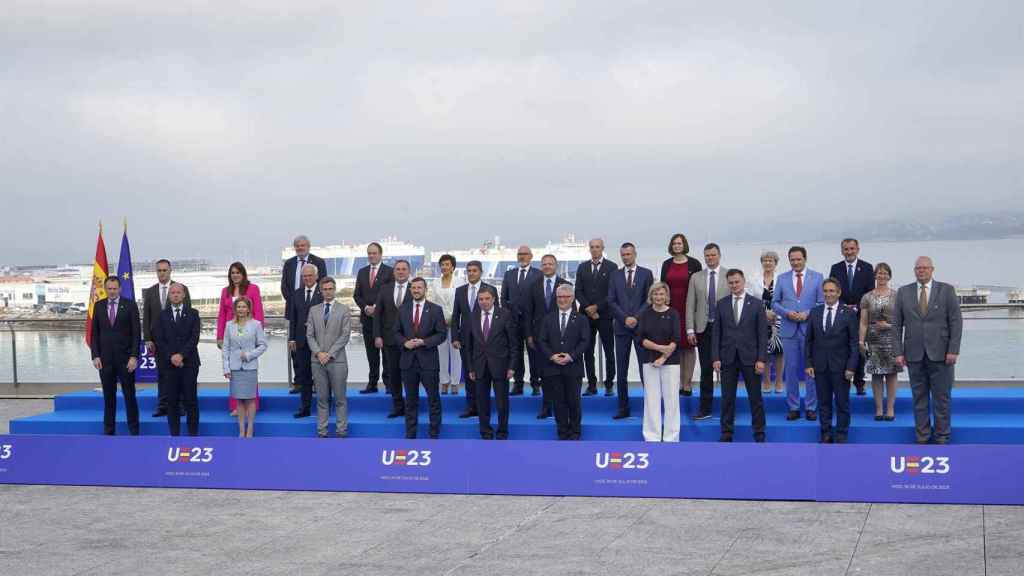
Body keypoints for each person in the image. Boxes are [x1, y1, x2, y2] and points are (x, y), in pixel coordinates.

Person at [894, 257, 963, 445]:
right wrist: (898, 352)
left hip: (942, 355)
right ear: (914, 270)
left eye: (925, 268)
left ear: (932, 269)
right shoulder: (903, 292)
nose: (921, 271)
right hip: (914, 355)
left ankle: (942, 436)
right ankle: (922, 436)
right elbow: (896, 325)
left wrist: (953, 350)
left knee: (942, 398)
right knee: (919, 399)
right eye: (918, 268)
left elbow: (956, 322)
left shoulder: (946, 290)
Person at [712, 270, 768, 443]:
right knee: (727, 398)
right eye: (731, 283)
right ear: (728, 284)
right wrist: (715, 358)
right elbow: (716, 334)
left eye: (737, 282)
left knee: (755, 398)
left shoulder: (757, 304)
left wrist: (761, 359)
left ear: (743, 282)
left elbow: (762, 334)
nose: (734, 285)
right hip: (727, 357)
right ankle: (726, 432)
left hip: (751, 358)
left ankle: (759, 433)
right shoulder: (721, 304)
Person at [772, 246, 825, 422]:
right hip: (788, 330)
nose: (795, 262)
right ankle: (793, 407)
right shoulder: (781, 278)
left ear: (805, 258)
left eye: (798, 259)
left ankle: (811, 407)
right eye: (792, 260)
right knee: (791, 370)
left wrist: (807, 313)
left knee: (811, 370)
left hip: (809, 330)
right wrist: (786, 313)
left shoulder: (817, 278)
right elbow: (774, 303)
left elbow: (821, 302)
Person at [804, 279, 859, 443]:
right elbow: (809, 341)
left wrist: (851, 367)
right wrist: (808, 363)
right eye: (826, 291)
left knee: (842, 403)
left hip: (842, 368)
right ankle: (825, 433)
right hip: (820, 367)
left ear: (839, 293)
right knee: (823, 403)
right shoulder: (815, 312)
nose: (828, 294)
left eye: (832, 291)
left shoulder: (849, 313)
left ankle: (841, 434)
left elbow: (854, 343)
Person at [394, 278, 447, 439]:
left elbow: (442, 334)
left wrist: (425, 342)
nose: (416, 290)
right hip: (408, 362)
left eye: (419, 287)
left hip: (428, 362)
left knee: (433, 399)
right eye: (413, 288)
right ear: (410, 290)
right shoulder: (402, 309)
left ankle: (434, 433)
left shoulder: (436, 309)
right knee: (410, 400)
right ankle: (410, 434)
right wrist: (405, 343)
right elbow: (395, 332)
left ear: (425, 289)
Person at [607, 242, 654, 419]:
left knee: (646, 370)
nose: (626, 257)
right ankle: (623, 408)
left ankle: (650, 407)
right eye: (623, 255)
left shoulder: (646, 274)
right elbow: (611, 300)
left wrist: (636, 317)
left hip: (641, 329)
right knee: (622, 371)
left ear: (635, 254)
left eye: (628, 254)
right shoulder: (614, 275)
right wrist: (625, 318)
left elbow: (649, 299)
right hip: (621, 328)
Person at [537, 284, 590, 440]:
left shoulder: (581, 319)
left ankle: (575, 431)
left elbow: (585, 341)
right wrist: (552, 356)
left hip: (573, 367)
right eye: (560, 297)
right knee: (558, 402)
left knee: (574, 401)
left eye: (566, 297)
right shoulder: (548, 318)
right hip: (553, 368)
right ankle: (562, 431)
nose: (562, 300)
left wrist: (571, 356)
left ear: (572, 298)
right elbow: (542, 340)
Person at [463, 289, 518, 439]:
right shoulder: (471, 317)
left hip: (501, 366)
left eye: (487, 298)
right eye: (481, 299)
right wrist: (470, 368)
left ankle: (502, 431)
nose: (484, 302)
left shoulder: (505, 314)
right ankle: (485, 432)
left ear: (493, 299)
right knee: (482, 402)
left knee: (502, 403)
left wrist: (512, 366)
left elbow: (514, 343)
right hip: (479, 367)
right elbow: (468, 346)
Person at [90, 276, 141, 436]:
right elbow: (94, 334)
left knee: (129, 396)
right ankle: (109, 430)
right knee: (108, 397)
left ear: (120, 289)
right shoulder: (98, 306)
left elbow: (136, 334)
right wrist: (95, 355)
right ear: (105, 289)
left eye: (114, 288)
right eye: (109, 288)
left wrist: (134, 356)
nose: (112, 291)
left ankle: (134, 430)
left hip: (126, 360)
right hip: (105, 360)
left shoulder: (130, 305)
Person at [142, 259, 192, 418]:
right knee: (162, 374)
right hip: (158, 343)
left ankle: (180, 405)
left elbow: (188, 315)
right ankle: (163, 405)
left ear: (170, 271)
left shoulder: (181, 288)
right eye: (159, 270)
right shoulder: (150, 292)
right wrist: (148, 339)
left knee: (180, 374)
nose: (162, 273)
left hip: (178, 342)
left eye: (165, 270)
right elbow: (146, 316)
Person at [525, 254, 572, 418]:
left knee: (562, 372)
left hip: (561, 335)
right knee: (544, 373)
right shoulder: (533, 286)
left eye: (550, 264)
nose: (547, 266)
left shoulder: (565, 285)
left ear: (556, 266)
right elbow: (528, 312)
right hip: (540, 337)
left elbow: (573, 313)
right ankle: (546, 406)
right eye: (544, 264)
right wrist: (529, 335)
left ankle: (563, 405)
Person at [450, 260, 499, 418]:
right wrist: (455, 337)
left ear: (481, 272)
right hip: (465, 339)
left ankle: (485, 407)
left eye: (474, 271)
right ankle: (472, 407)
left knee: (487, 374)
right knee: (470, 373)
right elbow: (455, 315)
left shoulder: (490, 290)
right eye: (469, 271)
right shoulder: (460, 291)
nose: (471, 273)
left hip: (486, 339)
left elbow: (496, 314)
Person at [686, 243, 729, 420]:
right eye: (707, 256)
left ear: (719, 255)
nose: (710, 258)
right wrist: (690, 329)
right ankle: (705, 408)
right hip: (703, 329)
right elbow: (690, 305)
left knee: (727, 370)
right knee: (705, 370)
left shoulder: (730, 275)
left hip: (725, 329)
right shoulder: (696, 277)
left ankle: (728, 409)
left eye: (713, 255)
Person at [280, 235, 326, 393]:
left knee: (316, 348)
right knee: (296, 349)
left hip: (317, 314)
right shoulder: (289, 263)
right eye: (297, 246)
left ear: (308, 246)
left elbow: (323, 287)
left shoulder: (319, 262)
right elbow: (285, 287)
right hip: (295, 313)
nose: (300, 248)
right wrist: (296, 303)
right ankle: (299, 382)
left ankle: (315, 382)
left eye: (303, 245)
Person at [216, 262, 264, 416]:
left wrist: (258, 334)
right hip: (232, 334)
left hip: (249, 335)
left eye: (238, 272)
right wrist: (219, 336)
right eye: (232, 273)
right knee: (234, 370)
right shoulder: (225, 291)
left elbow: (258, 311)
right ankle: (236, 406)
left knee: (249, 370)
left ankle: (252, 404)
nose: (235, 275)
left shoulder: (253, 289)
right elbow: (222, 314)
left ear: (243, 274)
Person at [306, 277, 351, 438]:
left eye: (330, 288)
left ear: (335, 289)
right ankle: (322, 431)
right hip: (317, 361)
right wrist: (319, 353)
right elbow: (309, 335)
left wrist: (330, 354)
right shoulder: (313, 310)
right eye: (325, 289)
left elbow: (345, 336)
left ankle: (341, 431)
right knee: (322, 398)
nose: (328, 292)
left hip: (337, 361)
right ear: (320, 291)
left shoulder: (344, 310)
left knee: (340, 399)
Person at [154, 283, 201, 436]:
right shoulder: (161, 316)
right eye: (172, 292)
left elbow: (194, 338)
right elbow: (159, 340)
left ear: (183, 295)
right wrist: (172, 356)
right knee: (172, 401)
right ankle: (174, 436)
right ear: (169, 295)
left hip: (189, 364)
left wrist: (181, 355)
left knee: (190, 401)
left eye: (178, 292)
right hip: (169, 365)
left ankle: (193, 435)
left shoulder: (193, 313)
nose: (175, 295)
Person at [829, 238, 874, 396]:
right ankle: (843, 383)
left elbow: (870, 292)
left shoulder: (867, 268)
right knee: (844, 350)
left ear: (857, 249)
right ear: (842, 251)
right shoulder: (836, 268)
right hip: (841, 315)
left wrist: (857, 307)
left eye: (852, 249)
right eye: (846, 249)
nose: (849, 252)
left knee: (860, 349)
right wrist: (843, 306)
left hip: (861, 315)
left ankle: (860, 383)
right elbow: (832, 289)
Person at [637, 283, 681, 442]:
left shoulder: (674, 314)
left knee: (672, 401)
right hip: (649, 362)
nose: (659, 297)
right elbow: (640, 339)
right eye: (655, 294)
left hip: (671, 363)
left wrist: (663, 358)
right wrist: (659, 348)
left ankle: (672, 437)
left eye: (662, 294)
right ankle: (652, 437)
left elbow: (676, 339)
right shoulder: (644, 314)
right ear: (651, 296)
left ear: (667, 296)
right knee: (651, 400)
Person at [660, 233, 702, 396]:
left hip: (689, 309)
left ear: (684, 245)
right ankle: (676, 383)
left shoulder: (694, 263)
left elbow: (699, 286)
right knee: (675, 346)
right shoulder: (666, 264)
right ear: (671, 246)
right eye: (674, 243)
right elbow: (663, 286)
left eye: (680, 243)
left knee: (689, 347)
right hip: (671, 309)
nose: (677, 246)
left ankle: (687, 383)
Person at [859, 263, 902, 421]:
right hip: (873, 340)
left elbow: (902, 321)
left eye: (885, 273)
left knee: (891, 374)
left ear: (889, 276)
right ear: (875, 276)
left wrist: (888, 326)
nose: (882, 276)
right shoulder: (867, 297)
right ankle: (878, 409)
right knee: (876, 376)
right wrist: (861, 341)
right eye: (879, 273)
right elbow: (863, 322)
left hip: (891, 339)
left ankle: (890, 409)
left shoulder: (897, 296)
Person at [575, 238, 618, 396]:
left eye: (597, 247)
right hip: (585, 316)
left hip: (605, 314)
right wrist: (588, 308)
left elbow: (612, 292)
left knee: (609, 350)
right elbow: (578, 291)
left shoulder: (612, 267)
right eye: (592, 247)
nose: (594, 249)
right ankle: (591, 385)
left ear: (602, 248)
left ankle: (609, 384)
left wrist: (597, 307)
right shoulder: (582, 267)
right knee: (587, 351)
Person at [221, 296, 267, 438]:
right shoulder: (229, 325)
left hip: (250, 367)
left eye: (243, 307)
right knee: (239, 400)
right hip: (235, 368)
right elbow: (225, 348)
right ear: (235, 309)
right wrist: (226, 368)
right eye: (238, 307)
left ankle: (250, 428)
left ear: (248, 309)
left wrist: (249, 355)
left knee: (250, 399)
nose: (241, 309)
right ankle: (241, 429)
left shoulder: (256, 325)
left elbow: (263, 345)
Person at [373, 259, 412, 418]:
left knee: (409, 375)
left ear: (409, 272)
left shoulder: (415, 288)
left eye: (404, 269)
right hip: (389, 340)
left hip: (410, 341)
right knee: (393, 375)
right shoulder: (384, 289)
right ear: (393, 272)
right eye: (398, 269)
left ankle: (411, 406)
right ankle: (398, 407)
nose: (401, 272)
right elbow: (378, 315)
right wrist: (377, 335)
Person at [501, 245, 541, 396]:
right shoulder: (509, 274)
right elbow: (503, 298)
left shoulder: (538, 274)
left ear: (531, 256)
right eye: (519, 254)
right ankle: (518, 384)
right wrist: (508, 315)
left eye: (525, 254)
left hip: (532, 322)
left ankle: (536, 384)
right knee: (516, 353)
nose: (522, 257)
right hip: (512, 321)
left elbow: (539, 299)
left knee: (533, 353)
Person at [353, 242, 393, 394]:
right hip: (367, 319)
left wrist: (376, 308)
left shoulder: (389, 272)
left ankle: (389, 384)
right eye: (369, 253)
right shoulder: (362, 272)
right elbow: (356, 295)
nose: (371, 256)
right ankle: (372, 383)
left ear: (380, 254)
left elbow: (390, 293)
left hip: (385, 320)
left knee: (387, 354)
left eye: (374, 253)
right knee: (371, 354)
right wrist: (365, 308)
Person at [287, 263, 322, 418]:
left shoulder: (323, 293)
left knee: (322, 377)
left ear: (316, 276)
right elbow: (293, 318)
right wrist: (291, 338)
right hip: (301, 342)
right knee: (304, 376)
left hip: (320, 342)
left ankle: (324, 408)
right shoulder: (296, 294)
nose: (307, 278)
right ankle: (305, 407)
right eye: (304, 276)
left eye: (310, 275)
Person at [751, 251, 784, 395]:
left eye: (770, 260)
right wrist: (764, 313)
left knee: (778, 351)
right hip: (760, 317)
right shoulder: (755, 279)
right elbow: (751, 300)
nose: (768, 263)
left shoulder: (782, 279)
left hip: (779, 318)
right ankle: (766, 382)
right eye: (765, 260)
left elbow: (786, 298)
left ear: (776, 263)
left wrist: (776, 312)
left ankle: (778, 381)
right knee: (764, 350)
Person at [430, 254, 463, 394]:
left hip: (456, 322)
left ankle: (455, 382)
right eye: (442, 264)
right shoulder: (435, 283)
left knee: (456, 353)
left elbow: (461, 302)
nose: (444, 267)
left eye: (447, 264)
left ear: (452, 267)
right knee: (441, 353)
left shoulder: (460, 281)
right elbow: (433, 303)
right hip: (440, 322)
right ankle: (444, 381)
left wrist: (453, 318)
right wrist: (439, 319)